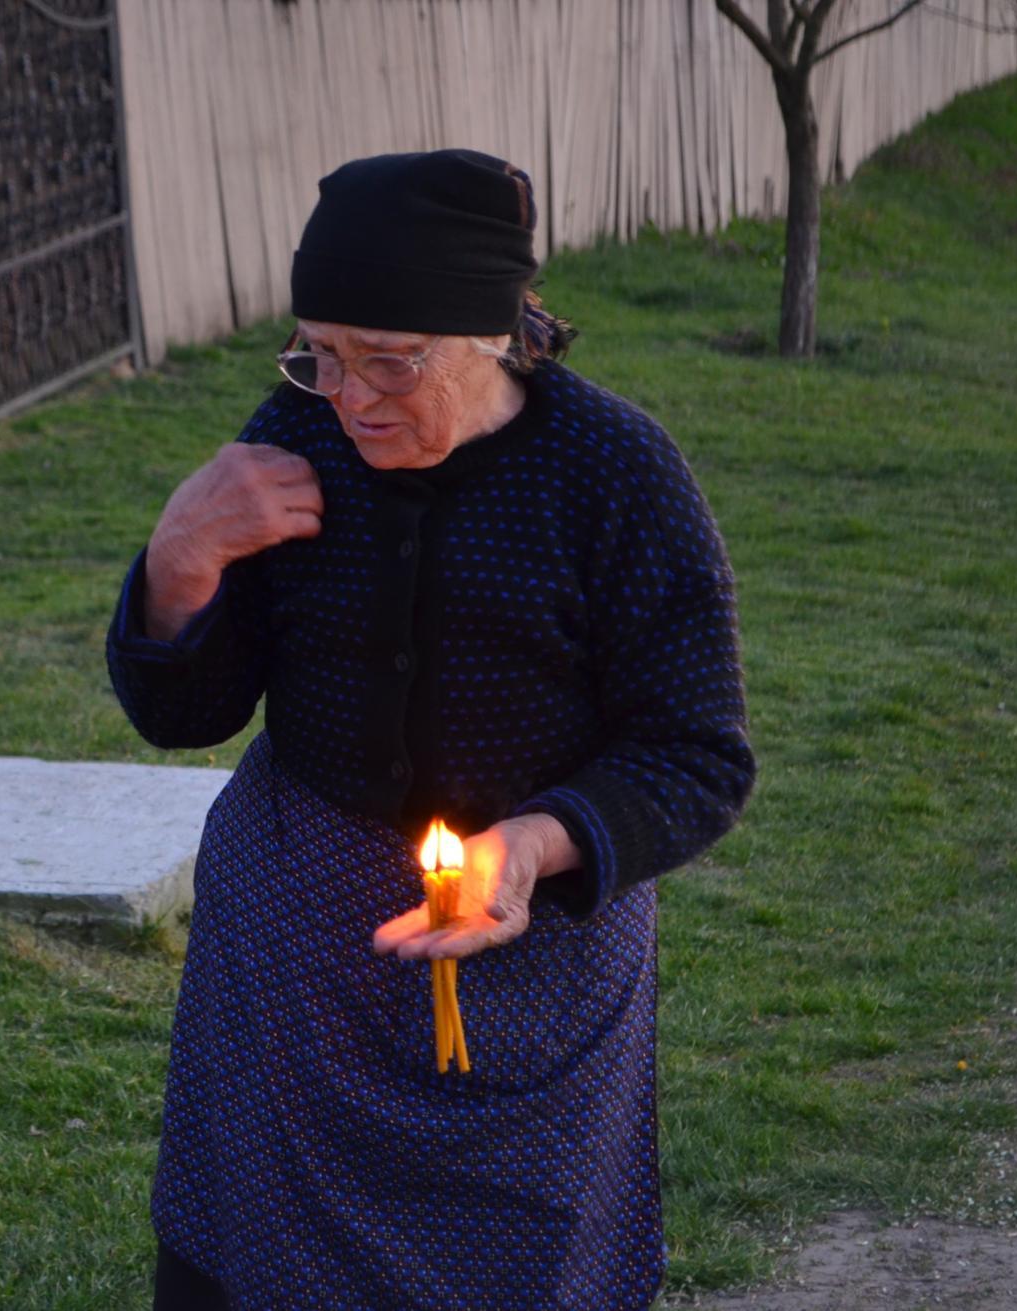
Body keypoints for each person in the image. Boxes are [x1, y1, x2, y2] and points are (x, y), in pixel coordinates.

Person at [105, 150, 755, 1310]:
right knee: (255, 1265)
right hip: (293, 963)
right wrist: (180, 560)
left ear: (493, 336)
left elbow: (696, 753)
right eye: (322, 353)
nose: (350, 396)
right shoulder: (297, 440)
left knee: (519, 1268)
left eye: (389, 363)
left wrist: (543, 845)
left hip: (539, 968)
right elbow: (186, 712)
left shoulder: (615, 476)